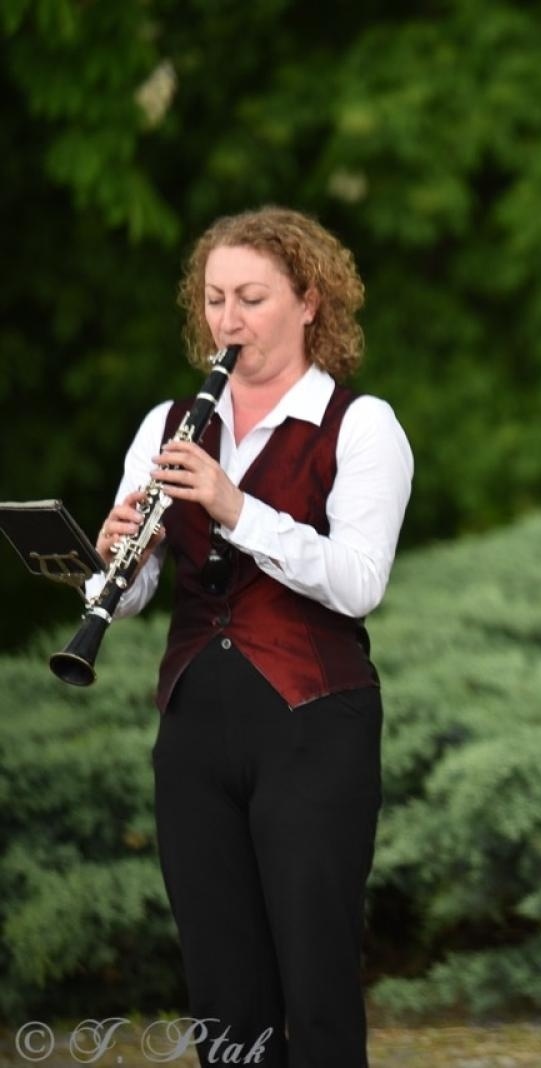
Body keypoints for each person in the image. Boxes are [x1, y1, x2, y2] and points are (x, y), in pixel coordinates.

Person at [90, 206, 413, 1067]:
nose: (228, 322)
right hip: (195, 726)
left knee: (315, 982)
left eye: (253, 299)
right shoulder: (170, 424)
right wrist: (117, 558)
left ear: (310, 301)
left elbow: (357, 583)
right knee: (222, 994)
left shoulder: (362, 424)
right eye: (215, 299)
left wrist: (235, 508)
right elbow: (124, 600)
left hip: (315, 725)